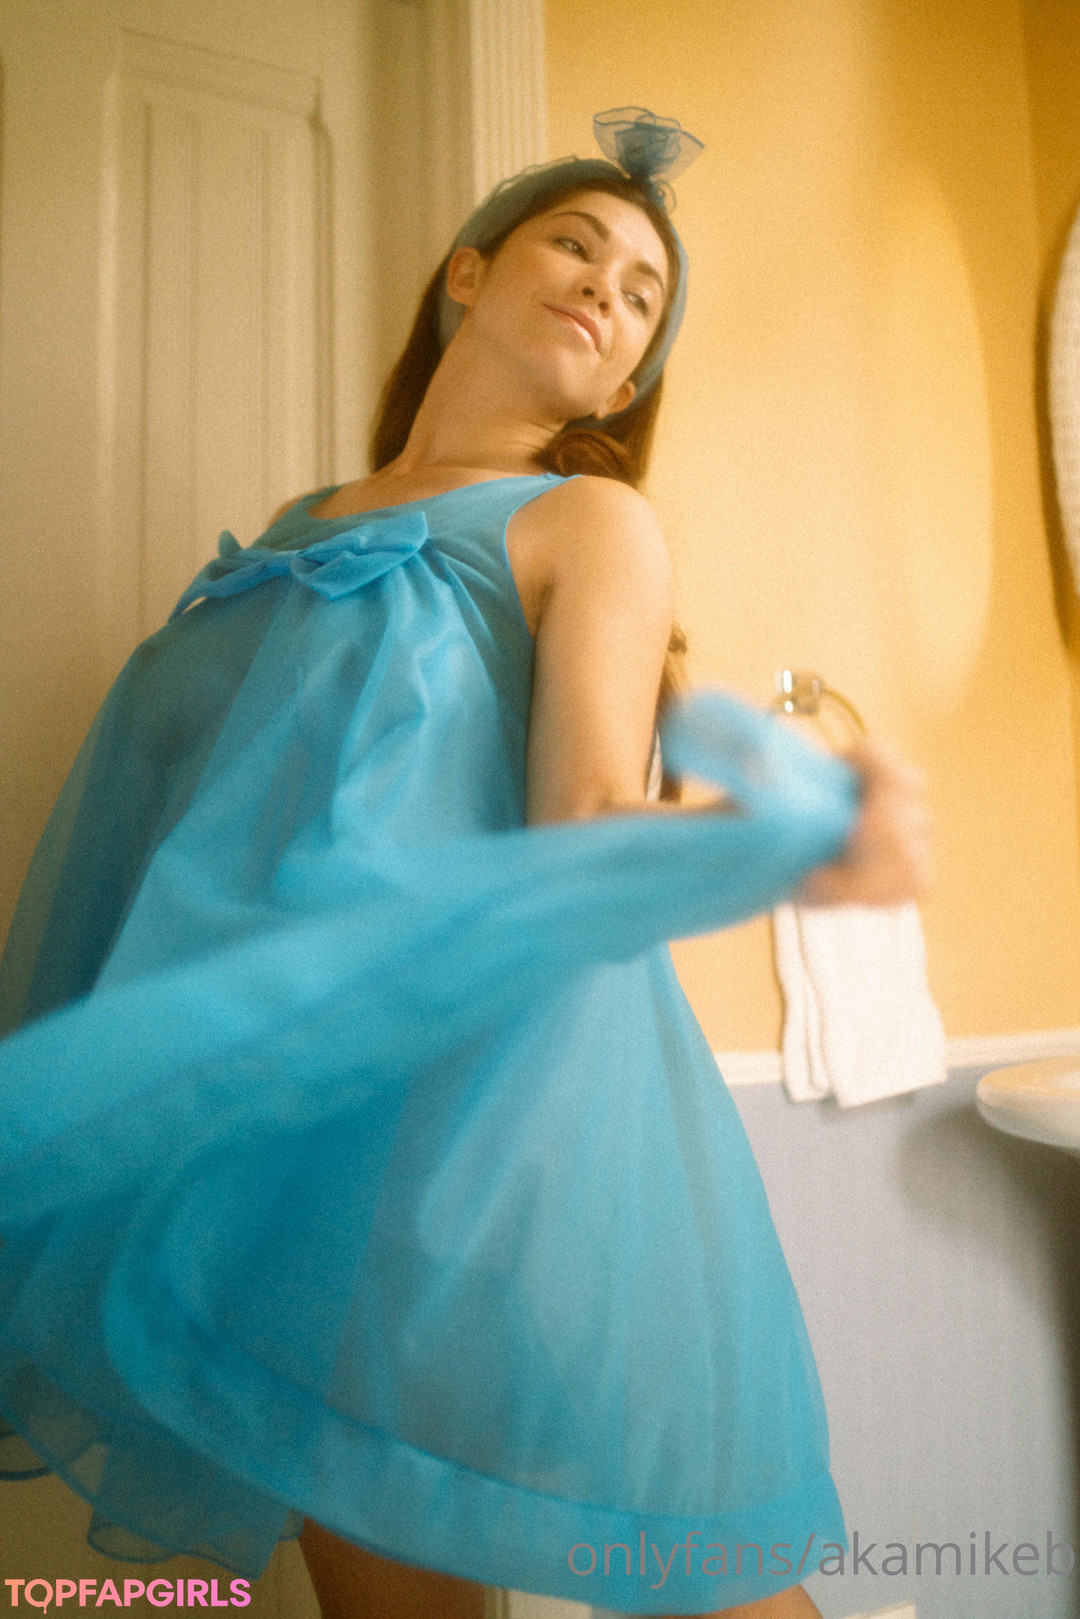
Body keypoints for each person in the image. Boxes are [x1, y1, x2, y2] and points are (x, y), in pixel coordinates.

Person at [0, 111, 929, 1618]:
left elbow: (585, 817)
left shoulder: (592, 524)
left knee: (698, 1585)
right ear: (470, 273)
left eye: (643, 294)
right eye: (579, 245)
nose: (609, 287)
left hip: (486, 1127)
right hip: (272, 1137)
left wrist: (784, 841)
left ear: (624, 384)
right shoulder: (295, 527)